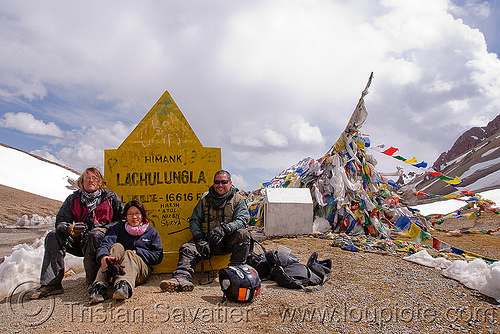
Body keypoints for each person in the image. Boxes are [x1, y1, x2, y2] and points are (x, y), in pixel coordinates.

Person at [31, 167, 123, 299]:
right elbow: (60, 222)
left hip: (101, 242)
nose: (91, 181)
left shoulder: (110, 198)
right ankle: (52, 284)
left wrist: (104, 228)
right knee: (53, 236)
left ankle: (94, 283)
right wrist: (70, 229)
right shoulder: (73, 199)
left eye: (95, 178)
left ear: (100, 182)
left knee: (95, 235)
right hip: (79, 241)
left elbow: (121, 220)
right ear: (81, 181)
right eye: (87, 178)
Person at [160, 170, 250, 292]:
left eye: (224, 182)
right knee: (188, 248)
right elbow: (194, 220)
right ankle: (181, 278)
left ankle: (235, 274)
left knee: (243, 234)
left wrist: (225, 228)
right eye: (217, 182)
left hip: (227, 241)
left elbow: (242, 220)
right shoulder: (205, 199)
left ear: (230, 183)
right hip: (207, 242)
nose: (220, 185)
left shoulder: (238, 199)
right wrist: (199, 238)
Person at [89, 200, 163, 302]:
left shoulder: (151, 232)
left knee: (129, 254)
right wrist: (103, 256)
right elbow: (106, 243)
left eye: (137, 213)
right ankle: (99, 286)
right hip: (117, 268)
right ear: (126, 216)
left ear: (142, 215)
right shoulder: (118, 229)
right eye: (130, 214)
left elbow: (158, 256)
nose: (134, 217)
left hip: (140, 271)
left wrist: (138, 252)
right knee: (117, 247)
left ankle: (124, 286)